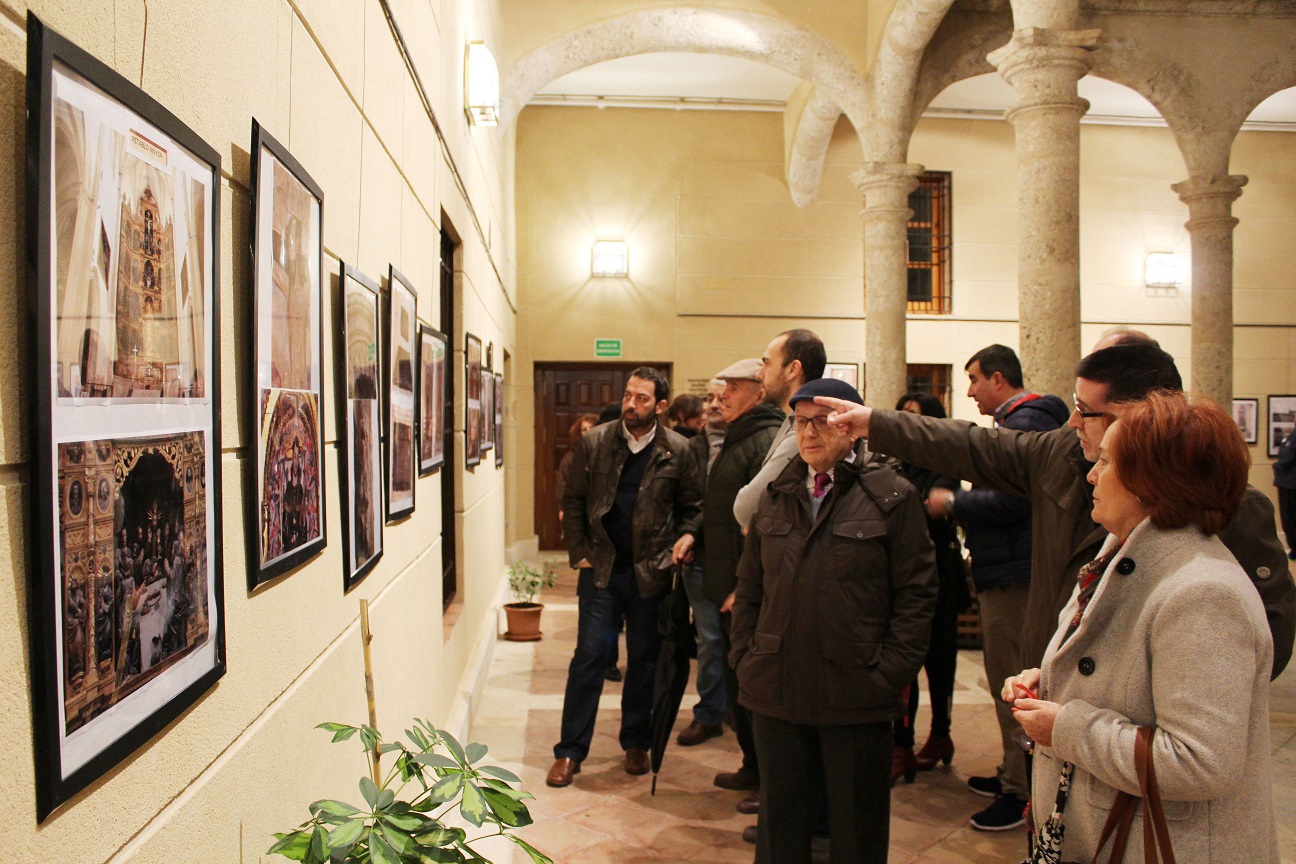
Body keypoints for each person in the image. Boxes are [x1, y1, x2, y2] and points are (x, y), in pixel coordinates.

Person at [815, 339, 1296, 684]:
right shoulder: (1063, 455)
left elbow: (1262, 647)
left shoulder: (1226, 504)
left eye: (1084, 410)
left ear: (1137, 416)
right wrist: (873, 423)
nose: (1072, 422)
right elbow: (973, 445)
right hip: (1059, 691)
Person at [1005, 392, 1278, 863]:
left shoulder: (1204, 592)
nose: (1092, 474)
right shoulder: (1121, 555)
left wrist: (1065, 725)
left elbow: (1200, 761)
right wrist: (1050, 683)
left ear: (1152, 482)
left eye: (1107, 462)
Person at [731, 377, 937, 864]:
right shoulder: (776, 494)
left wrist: (888, 675)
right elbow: (751, 589)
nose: (809, 433)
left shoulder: (891, 495)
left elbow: (917, 594)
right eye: (801, 422)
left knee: (856, 833)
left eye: (822, 421)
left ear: (853, 427)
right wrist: (746, 658)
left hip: (856, 693)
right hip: (776, 688)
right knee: (780, 832)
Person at [923, 345, 1068, 830]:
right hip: (1005, 568)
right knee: (1004, 676)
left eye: (974, 379)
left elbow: (1013, 500)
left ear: (999, 379)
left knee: (1014, 680)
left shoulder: (1027, 422)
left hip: (1015, 573)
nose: (969, 391)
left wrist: (953, 501)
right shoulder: (1020, 421)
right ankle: (1012, 771)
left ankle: (1022, 791)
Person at [547, 367, 703, 787]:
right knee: (590, 658)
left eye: (642, 398)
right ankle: (569, 751)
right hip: (601, 569)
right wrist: (578, 551)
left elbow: (694, 506)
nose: (631, 405)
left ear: (662, 406)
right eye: (629, 395)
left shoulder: (680, 450)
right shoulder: (597, 441)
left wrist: (688, 535)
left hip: (651, 572)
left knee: (644, 661)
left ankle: (636, 740)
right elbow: (573, 499)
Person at [695, 360, 784, 811]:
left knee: (754, 689)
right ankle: (752, 765)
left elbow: (763, 525)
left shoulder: (765, 440)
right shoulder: (738, 435)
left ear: (758, 392)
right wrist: (694, 531)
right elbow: (722, 506)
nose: (722, 394)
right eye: (721, 386)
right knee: (737, 685)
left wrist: (741, 587)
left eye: (732, 386)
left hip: (744, 590)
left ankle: (769, 781)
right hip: (727, 585)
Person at [885, 394, 969, 786]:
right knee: (905, 659)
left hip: (938, 574)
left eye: (913, 416)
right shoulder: (893, 462)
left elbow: (931, 510)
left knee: (939, 662)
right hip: (902, 575)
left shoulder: (943, 462)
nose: (904, 422)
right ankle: (901, 745)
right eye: (900, 415)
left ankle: (940, 734)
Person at [677, 378, 730, 747]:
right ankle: (710, 712)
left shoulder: (755, 445)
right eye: (708, 399)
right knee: (710, 639)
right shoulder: (690, 448)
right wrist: (687, 534)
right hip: (701, 560)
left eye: (721, 398)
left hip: (742, 563)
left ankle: (739, 711)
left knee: (741, 642)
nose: (712, 405)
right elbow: (682, 500)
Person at [734, 329, 826, 530]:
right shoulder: (792, 420)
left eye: (767, 363)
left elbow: (746, 507)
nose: (760, 374)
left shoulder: (806, 432)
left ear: (793, 369)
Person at [1275, 427, 1296, 559]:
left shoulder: (1293, 437)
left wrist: (1276, 466)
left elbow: (1287, 457)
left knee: (1290, 517)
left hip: (1290, 484)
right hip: (1286, 483)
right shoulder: (1291, 435)